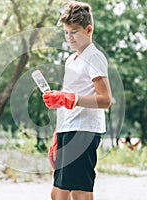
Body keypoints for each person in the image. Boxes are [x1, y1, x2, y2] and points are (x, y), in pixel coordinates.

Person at [42, 1, 112, 199]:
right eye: (66, 32)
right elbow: (67, 101)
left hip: (84, 131)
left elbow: (105, 100)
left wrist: (71, 99)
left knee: (79, 192)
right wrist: (58, 134)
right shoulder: (71, 60)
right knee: (59, 193)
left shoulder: (94, 57)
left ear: (88, 30)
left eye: (74, 32)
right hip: (68, 130)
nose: (69, 37)